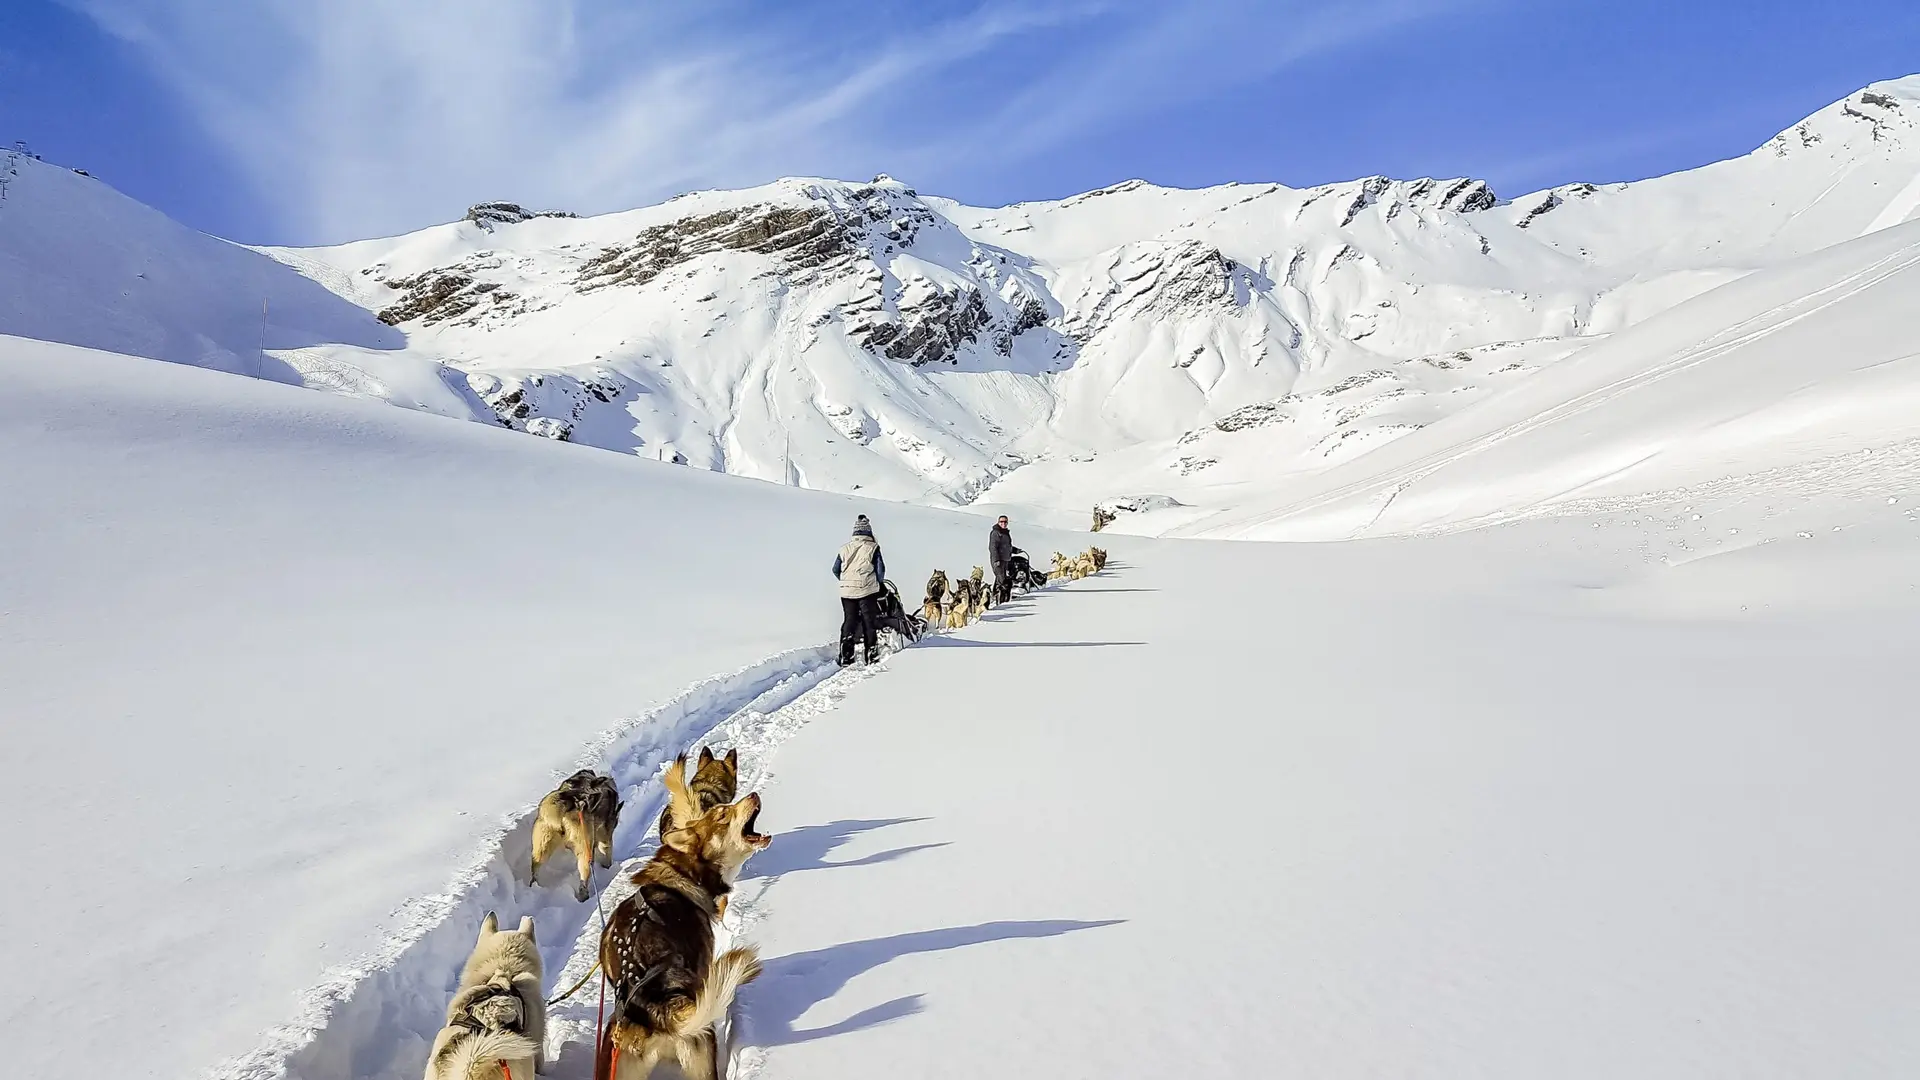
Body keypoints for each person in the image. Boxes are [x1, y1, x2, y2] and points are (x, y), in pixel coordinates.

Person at [831, 514, 887, 666]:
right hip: (867, 591)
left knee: (849, 620)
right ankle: (872, 655)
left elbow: (835, 569)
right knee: (869, 622)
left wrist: (847, 582)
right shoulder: (873, 547)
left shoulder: (844, 549)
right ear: (869, 533)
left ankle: (846, 656)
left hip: (846, 592)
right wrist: (877, 583)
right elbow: (880, 571)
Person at [988, 514, 1014, 604]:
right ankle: (1000, 601)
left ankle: (996, 596)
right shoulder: (996, 533)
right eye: (1001, 522)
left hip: (1005, 560)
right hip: (998, 561)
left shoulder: (1005, 532)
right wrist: (996, 560)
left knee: (1001, 579)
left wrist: (1014, 550)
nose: (1003, 523)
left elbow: (1006, 546)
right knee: (1002, 581)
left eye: (1005, 522)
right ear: (998, 522)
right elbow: (993, 547)